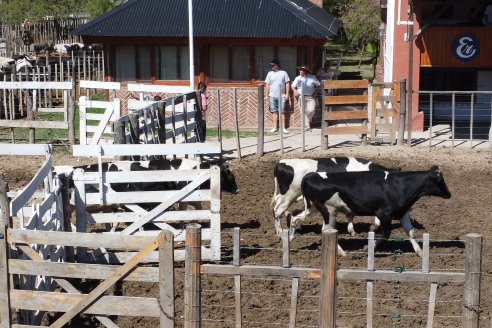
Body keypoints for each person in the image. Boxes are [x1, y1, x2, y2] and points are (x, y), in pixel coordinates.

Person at [265, 59, 290, 133]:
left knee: (282, 112)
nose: (272, 67)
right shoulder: (269, 73)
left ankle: (283, 128)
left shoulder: (283, 73)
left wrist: (287, 94)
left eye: (273, 65)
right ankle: (275, 127)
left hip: (282, 95)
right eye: (271, 65)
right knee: (274, 111)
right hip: (272, 95)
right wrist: (266, 95)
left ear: (277, 65)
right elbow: (267, 84)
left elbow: (287, 83)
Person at [292, 65, 320, 130]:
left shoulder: (312, 77)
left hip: (311, 96)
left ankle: (308, 121)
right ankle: (307, 125)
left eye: (302, 70)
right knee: (303, 111)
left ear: (306, 71)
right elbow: (293, 86)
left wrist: (316, 92)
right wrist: (295, 91)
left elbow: (318, 85)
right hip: (301, 96)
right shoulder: (297, 78)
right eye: (300, 70)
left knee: (311, 110)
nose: (300, 71)